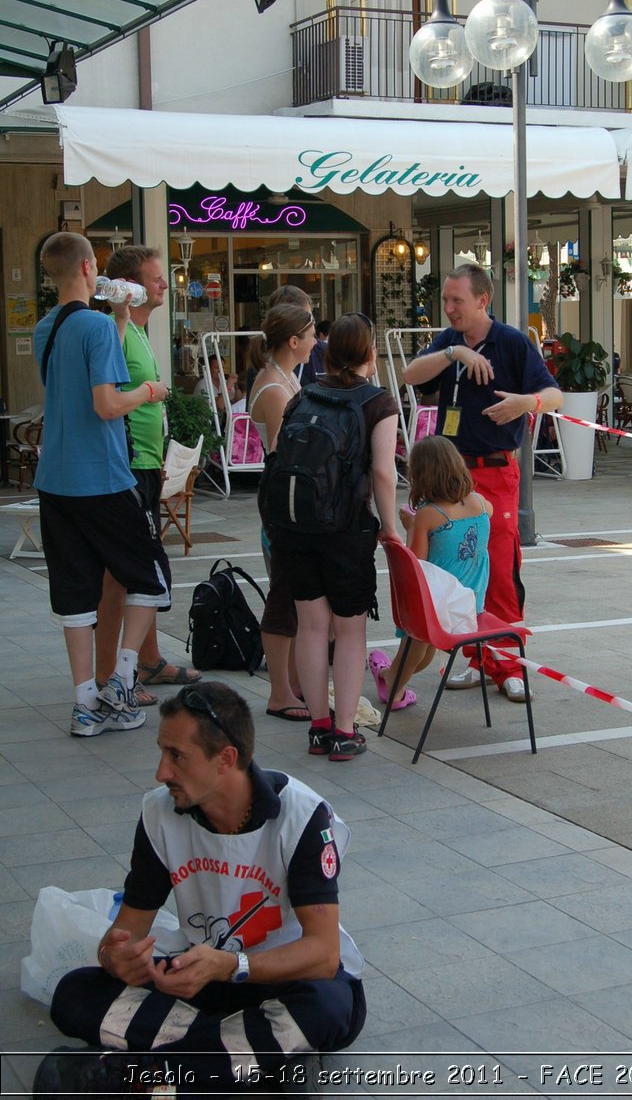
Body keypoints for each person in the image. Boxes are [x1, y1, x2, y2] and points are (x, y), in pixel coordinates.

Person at [35, 683, 366, 1096]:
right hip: (201, 980)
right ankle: (253, 1068)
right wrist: (115, 957)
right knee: (75, 993)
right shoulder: (161, 812)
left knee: (328, 1009)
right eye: (162, 752)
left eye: (176, 756)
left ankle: (146, 1075)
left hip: (285, 978)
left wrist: (231, 966)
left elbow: (322, 954)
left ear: (225, 759)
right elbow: (127, 929)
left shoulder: (301, 816)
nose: (161, 772)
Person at [32, 232, 171, 738]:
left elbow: (75, 379)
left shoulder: (47, 327)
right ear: (91, 268)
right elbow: (107, 404)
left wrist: (115, 319)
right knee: (149, 577)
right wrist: (149, 391)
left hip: (56, 480)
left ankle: (85, 702)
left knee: (75, 592)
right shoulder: (93, 325)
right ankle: (123, 677)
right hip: (104, 477)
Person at [403, 264, 561, 701]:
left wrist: (525, 403)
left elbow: (554, 394)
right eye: (446, 300)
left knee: (499, 566)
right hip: (451, 476)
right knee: (454, 570)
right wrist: (454, 355)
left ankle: (508, 662)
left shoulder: (511, 342)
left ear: (481, 300)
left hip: (494, 470)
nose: (449, 308)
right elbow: (411, 375)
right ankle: (472, 657)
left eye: (456, 300)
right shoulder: (449, 341)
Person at [267, 314, 399, 761]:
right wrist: (391, 528)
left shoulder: (304, 395)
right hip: (345, 530)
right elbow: (383, 471)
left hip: (295, 527)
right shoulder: (377, 402)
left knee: (310, 626)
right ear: (369, 353)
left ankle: (318, 726)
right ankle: (345, 732)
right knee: (349, 631)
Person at [94, 246, 201, 705]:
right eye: (156, 278)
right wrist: (148, 392)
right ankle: (107, 676)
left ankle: (150, 659)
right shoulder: (115, 329)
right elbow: (106, 390)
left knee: (139, 571)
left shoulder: (138, 330)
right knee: (123, 574)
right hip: (127, 465)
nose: (164, 285)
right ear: (132, 287)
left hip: (145, 465)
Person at [368, 436, 492, 708]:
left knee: (416, 641)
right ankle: (390, 678)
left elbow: (415, 563)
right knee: (422, 654)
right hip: (470, 604)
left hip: (435, 604)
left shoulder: (428, 514)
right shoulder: (482, 503)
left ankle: (393, 685)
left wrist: (411, 526)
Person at [249, 303, 317, 720]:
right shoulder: (275, 389)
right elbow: (281, 455)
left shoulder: (285, 377)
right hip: (281, 502)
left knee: (294, 597)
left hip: (286, 499)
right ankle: (280, 692)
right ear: (294, 341)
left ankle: (293, 686)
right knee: (283, 597)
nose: (316, 341)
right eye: (311, 334)